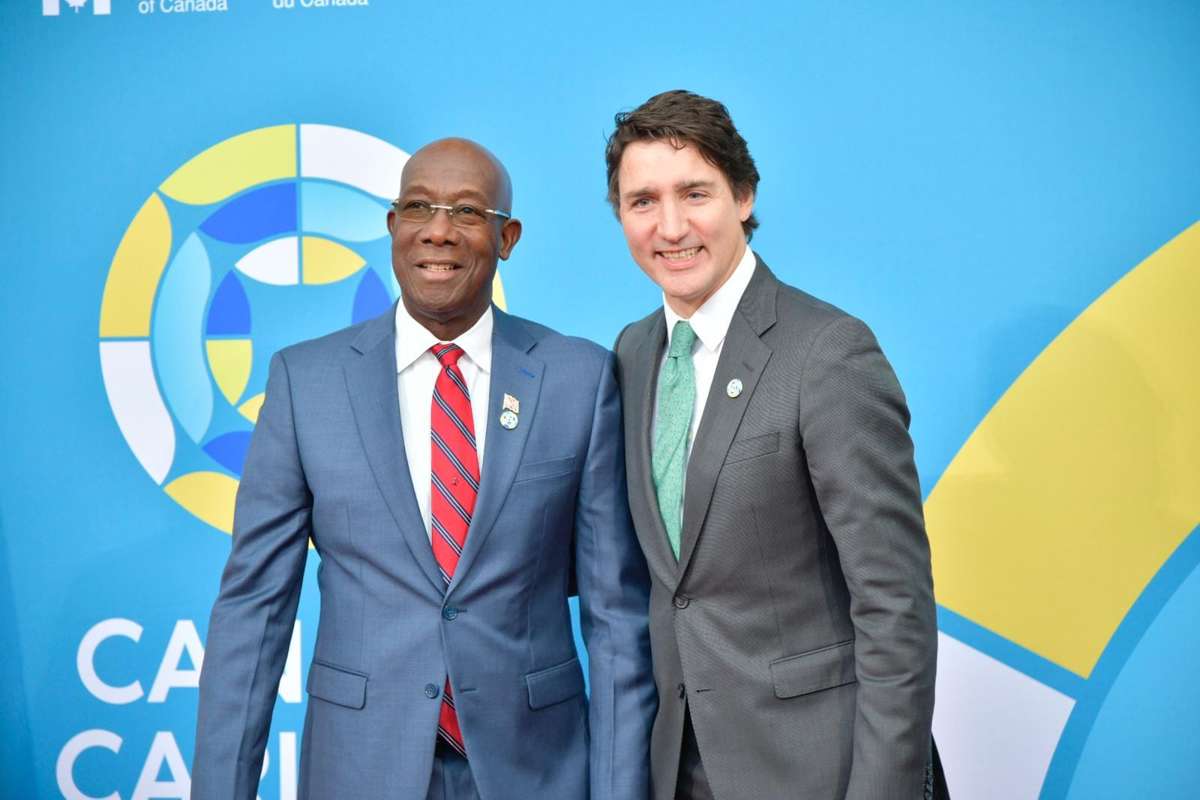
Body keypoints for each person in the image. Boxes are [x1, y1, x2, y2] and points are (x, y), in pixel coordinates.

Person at [193, 138, 655, 800]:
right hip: (360, 770)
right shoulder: (305, 382)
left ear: (507, 238)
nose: (438, 231)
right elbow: (254, 610)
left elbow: (615, 619)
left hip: (537, 771)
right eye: (418, 207)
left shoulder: (578, 378)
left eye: (467, 212)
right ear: (392, 226)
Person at [606, 90, 940, 799]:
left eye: (694, 193)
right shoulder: (632, 354)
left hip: (819, 772)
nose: (671, 226)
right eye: (643, 202)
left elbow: (895, 608)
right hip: (679, 772)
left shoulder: (828, 352)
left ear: (744, 195)